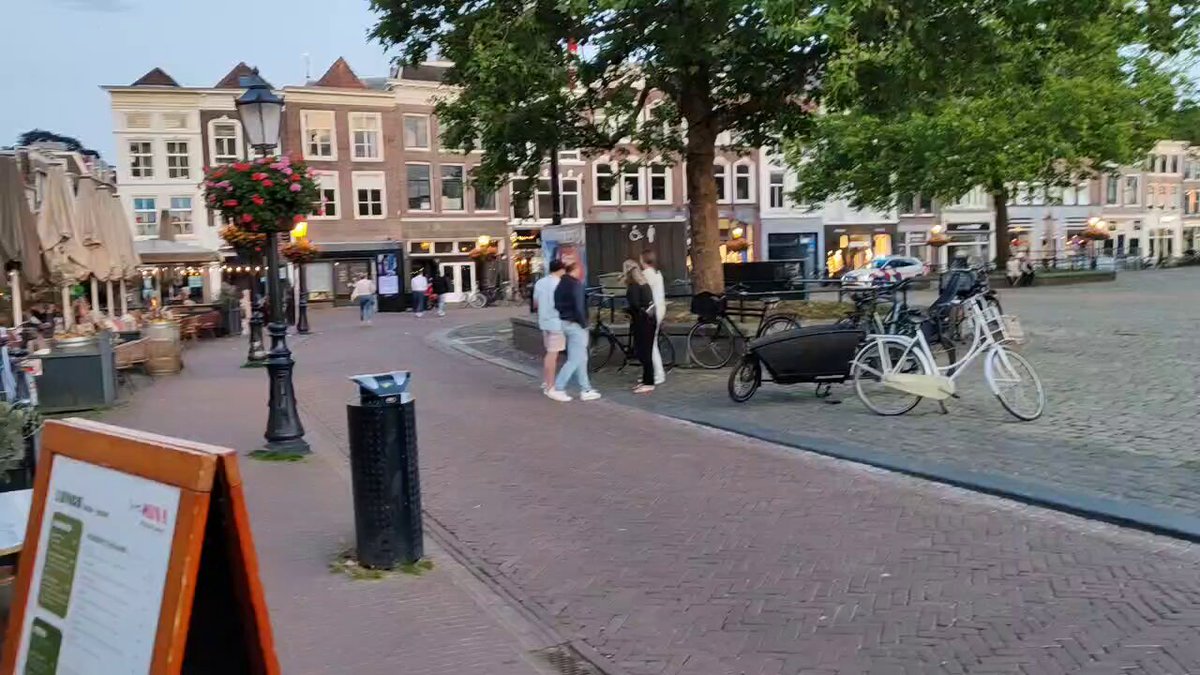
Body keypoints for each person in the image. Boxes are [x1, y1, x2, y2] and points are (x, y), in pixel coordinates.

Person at [551, 262, 600, 402]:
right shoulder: (575, 285)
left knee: (581, 357)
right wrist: (584, 324)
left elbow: (556, 304)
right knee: (575, 359)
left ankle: (586, 388)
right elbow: (579, 306)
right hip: (576, 324)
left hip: (564, 322)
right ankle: (559, 387)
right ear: (576, 270)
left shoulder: (560, 284)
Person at [532, 260, 566, 393]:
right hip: (556, 322)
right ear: (561, 270)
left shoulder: (540, 282)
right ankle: (550, 385)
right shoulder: (560, 284)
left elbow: (535, 303)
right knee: (553, 354)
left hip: (544, 321)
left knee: (549, 352)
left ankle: (546, 381)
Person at [624, 260, 657, 394]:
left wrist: (627, 310)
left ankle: (649, 382)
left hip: (642, 322)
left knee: (643, 352)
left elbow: (635, 305)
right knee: (646, 352)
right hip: (649, 320)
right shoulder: (645, 284)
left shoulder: (634, 286)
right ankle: (646, 380)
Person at [640, 250, 667, 385]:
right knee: (652, 343)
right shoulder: (657, 273)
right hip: (660, 308)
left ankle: (658, 374)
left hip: (652, 311)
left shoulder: (647, 274)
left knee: (651, 345)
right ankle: (652, 373)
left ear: (643, 260)